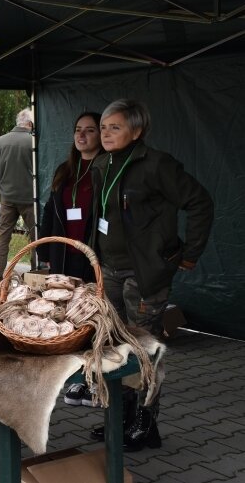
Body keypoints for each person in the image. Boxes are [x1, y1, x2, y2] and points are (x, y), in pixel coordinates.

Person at [89, 98, 213, 451]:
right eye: (104, 127)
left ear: (137, 130)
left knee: (144, 348)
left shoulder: (158, 165)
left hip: (144, 274)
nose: (106, 133)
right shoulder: (102, 164)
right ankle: (121, 418)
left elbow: (200, 202)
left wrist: (189, 254)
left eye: (116, 127)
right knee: (114, 348)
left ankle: (147, 422)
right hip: (109, 270)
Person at [37, 112, 102, 283]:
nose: (81, 135)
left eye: (89, 130)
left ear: (101, 135)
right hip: (63, 255)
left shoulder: (106, 171)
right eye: (78, 129)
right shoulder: (64, 170)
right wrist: (44, 250)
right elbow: (50, 211)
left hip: (94, 257)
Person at [0, 107, 36, 278]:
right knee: (35, 240)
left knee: (3, 240)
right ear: (30, 123)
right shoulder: (33, 141)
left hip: (7, 198)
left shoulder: (1, 141)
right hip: (31, 200)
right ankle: (35, 275)